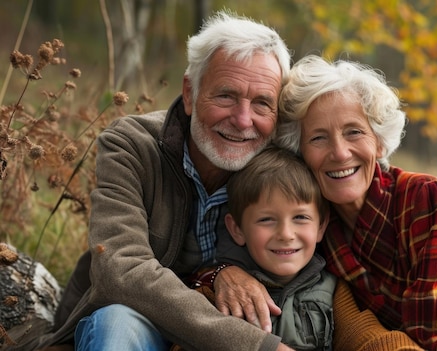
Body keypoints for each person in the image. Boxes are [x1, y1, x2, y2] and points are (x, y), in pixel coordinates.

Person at [16, 10, 295, 351]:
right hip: (134, 330)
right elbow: (121, 272)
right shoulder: (131, 144)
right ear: (190, 92)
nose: (242, 119)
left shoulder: (282, 169)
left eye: (262, 103)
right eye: (226, 95)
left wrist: (220, 269)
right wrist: (258, 346)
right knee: (117, 321)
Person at [266, 55, 437, 350]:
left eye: (354, 132)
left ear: (379, 141)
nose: (340, 153)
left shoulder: (422, 195)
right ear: (299, 152)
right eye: (318, 138)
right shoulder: (305, 221)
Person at [175, 145, 337, 350]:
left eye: (300, 217)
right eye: (266, 219)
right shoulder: (221, 293)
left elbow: (365, 336)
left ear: (321, 226)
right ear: (237, 229)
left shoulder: (333, 290)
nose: (286, 234)